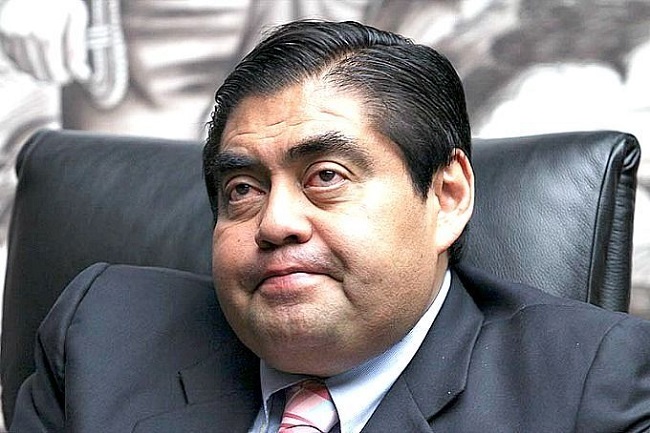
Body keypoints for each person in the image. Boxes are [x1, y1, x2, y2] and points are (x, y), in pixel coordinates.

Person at [9, 20, 650, 432]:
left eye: (326, 175)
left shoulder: (590, 386)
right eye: (242, 190)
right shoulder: (99, 340)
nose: (275, 222)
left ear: (447, 197)